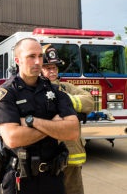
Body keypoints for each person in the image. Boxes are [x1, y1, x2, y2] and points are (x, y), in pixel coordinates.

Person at [0, 38, 80, 194]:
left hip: (52, 178)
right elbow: (13, 138)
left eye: (40, 56)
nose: (38, 61)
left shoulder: (55, 91)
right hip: (20, 180)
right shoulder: (6, 93)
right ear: (17, 60)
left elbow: (73, 131)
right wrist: (54, 126)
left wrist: (31, 122)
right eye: (31, 56)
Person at [41, 44, 94, 194]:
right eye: (48, 68)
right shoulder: (34, 90)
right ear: (39, 69)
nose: (52, 71)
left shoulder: (66, 87)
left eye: (55, 67)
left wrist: (64, 102)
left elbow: (89, 102)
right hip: (48, 159)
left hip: (72, 157)